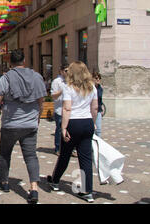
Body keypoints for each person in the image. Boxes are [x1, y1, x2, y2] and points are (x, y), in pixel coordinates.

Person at [0, 49, 47, 204]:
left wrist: (5, 100)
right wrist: (37, 116)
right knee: (31, 156)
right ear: (24, 61)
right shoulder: (37, 77)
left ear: (11, 63)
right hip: (30, 123)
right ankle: (34, 188)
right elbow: (41, 101)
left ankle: (4, 183)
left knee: (5, 153)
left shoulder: (6, 78)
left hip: (10, 123)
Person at [47, 61, 99, 203]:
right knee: (86, 158)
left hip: (73, 123)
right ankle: (87, 191)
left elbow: (67, 109)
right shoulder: (92, 87)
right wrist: (93, 123)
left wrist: (63, 128)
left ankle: (55, 181)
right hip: (87, 121)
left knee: (65, 154)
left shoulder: (69, 88)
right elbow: (95, 107)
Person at [50, 65, 69, 155]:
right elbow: (53, 96)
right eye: (66, 70)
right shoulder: (56, 82)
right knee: (59, 130)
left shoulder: (71, 81)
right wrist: (62, 91)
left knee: (69, 130)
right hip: (60, 109)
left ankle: (70, 149)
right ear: (61, 71)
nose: (67, 72)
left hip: (69, 110)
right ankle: (58, 148)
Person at [93, 72, 103, 137]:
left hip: (98, 110)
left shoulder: (100, 88)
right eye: (96, 78)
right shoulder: (91, 88)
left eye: (99, 78)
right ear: (92, 79)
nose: (98, 79)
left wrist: (102, 107)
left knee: (98, 130)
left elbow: (100, 99)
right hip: (92, 110)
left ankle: (99, 145)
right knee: (92, 129)